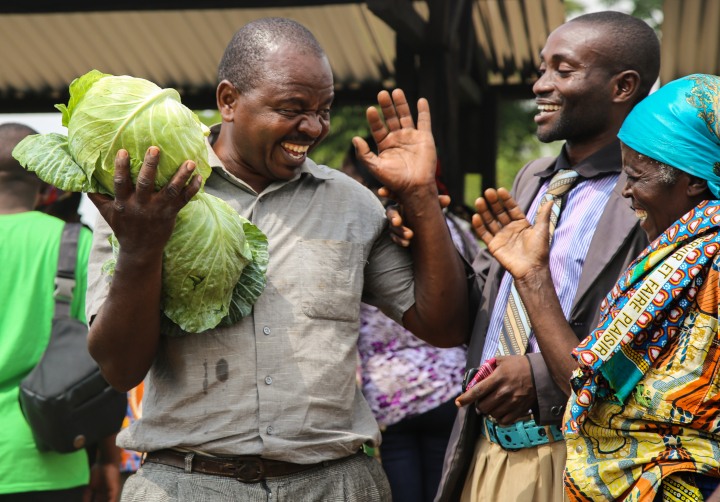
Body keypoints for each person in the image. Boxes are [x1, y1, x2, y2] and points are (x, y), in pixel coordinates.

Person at [85, 18, 468, 502]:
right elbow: (119, 370)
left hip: (337, 484)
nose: (313, 127)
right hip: (185, 485)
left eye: (323, 110)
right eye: (292, 109)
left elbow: (445, 327)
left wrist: (422, 197)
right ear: (228, 101)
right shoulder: (148, 202)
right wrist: (142, 250)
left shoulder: (352, 204)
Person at [387, 11, 659, 501]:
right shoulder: (534, 179)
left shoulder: (652, 194)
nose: (540, 84)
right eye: (541, 69)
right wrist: (423, 206)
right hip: (486, 452)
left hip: (579, 455)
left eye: (563, 69)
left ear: (623, 86)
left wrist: (538, 377)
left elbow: (656, 341)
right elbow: (471, 319)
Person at [473, 74, 720, 501]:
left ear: (695, 181)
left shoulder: (706, 261)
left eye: (638, 176)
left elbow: (585, 387)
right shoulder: (680, 253)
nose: (626, 192)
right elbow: (592, 386)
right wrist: (531, 277)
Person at [344, 138, 479, 502]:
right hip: (451, 388)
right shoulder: (456, 229)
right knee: (445, 491)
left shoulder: (365, 230)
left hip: (390, 394)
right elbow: (479, 297)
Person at [0, 123, 120, 502]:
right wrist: (107, 459)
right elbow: (108, 359)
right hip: (49, 459)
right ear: (43, 180)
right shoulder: (77, 244)